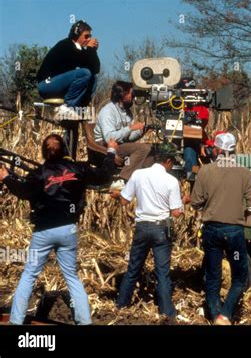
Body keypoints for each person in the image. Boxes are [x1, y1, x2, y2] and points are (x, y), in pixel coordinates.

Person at [0, 134, 117, 325]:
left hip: (43, 232)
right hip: (68, 230)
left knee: (29, 274)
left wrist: (6, 177)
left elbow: (23, 191)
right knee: (71, 276)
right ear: (65, 151)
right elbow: (104, 176)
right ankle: (84, 322)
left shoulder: (39, 174)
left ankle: (15, 321)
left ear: (43, 153)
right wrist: (111, 151)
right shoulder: (78, 169)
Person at [113, 142, 190, 321]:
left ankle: (121, 304)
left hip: (141, 227)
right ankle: (167, 312)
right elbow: (176, 213)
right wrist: (183, 201)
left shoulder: (138, 174)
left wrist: (118, 195)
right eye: (172, 163)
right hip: (161, 229)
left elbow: (124, 201)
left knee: (133, 268)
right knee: (162, 272)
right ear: (168, 161)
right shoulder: (171, 181)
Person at [191, 133, 251, 325]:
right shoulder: (245, 172)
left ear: (217, 150)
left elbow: (196, 203)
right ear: (234, 150)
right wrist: (239, 213)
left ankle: (214, 314)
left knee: (213, 275)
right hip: (234, 232)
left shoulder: (205, 171)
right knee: (240, 276)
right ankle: (226, 313)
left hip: (211, 231)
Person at [37, 20, 100, 159]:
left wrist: (92, 52)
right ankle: (68, 107)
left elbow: (95, 69)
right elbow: (82, 66)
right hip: (47, 84)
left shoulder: (79, 50)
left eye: (90, 36)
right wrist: (89, 50)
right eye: (86, 36)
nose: (89, 39)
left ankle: (77, 108)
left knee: (93, 78)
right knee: (84, 74)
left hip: (61, 87)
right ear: (76, 35)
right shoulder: (66, 45)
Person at [94, 81, 153, 189]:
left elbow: (129, 138)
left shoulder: (127, 112)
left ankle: (141, 179)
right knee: (143, 149)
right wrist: (130, 128)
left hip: (120, 143)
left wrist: (142, 130)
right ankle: (122, 180)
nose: (133, 96)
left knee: (151, 148)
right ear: (122, 94)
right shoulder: (108, 111)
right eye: (131, 93)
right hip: (106, 146)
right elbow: (109, 138)